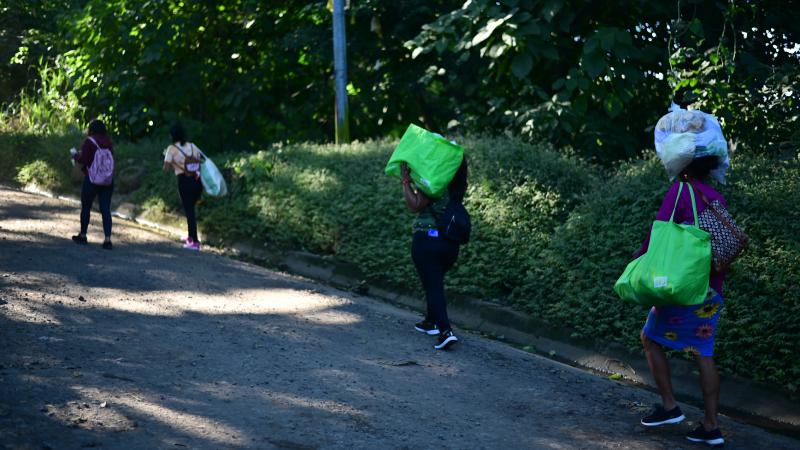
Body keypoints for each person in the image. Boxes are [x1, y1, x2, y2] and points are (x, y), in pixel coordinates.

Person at [636, 154, 729, 447]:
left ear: (684, 165)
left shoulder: (680, 190)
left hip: (683, 286)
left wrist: (638, 265)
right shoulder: (716, 196)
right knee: (703, 350)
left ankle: (669, 406)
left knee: (650, 337)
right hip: (711, 289)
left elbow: (659, 234)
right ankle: (711, 426)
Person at [400, 156, 468, 350]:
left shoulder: (434, 179)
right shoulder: (458, 183)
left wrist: (406, 181)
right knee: (433, 281)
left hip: (427, 241)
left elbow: (415, 205)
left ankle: (446, 332)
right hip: (450, 244)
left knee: (433, 287)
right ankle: (430, 322)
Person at [71, 119, 114, 250]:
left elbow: (84, 160)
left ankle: (83, 235)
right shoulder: (109, 142)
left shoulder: (89, 141)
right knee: (105, 209)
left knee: (86, 207)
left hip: (92, 179)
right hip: (107, 180)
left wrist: (75, 156)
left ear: (91, 129)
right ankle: (107, 240)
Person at [163, 123, 204, 251]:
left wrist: (171, 160)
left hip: (184, 181)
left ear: (172, 136)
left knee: (189, 211)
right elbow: (201, 158)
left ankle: (194, 242)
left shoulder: (171, 149)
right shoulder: (192, 146)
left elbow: (166, 168)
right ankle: (191, 236)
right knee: (191, 209)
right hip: (197, 181)